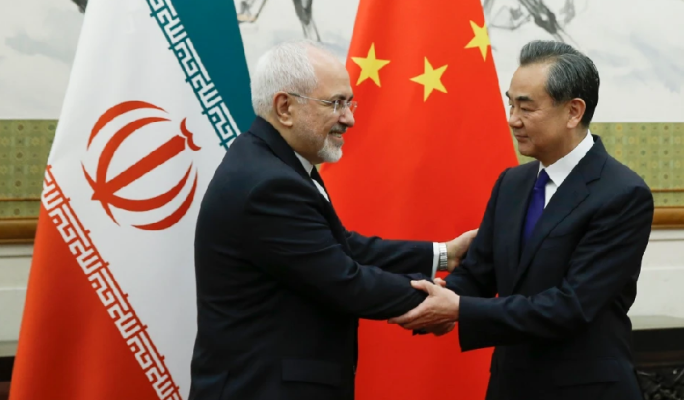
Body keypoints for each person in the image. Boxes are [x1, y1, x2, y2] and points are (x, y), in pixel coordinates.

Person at [188, 40, 477, 400]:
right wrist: (440, 300)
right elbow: (344, 280)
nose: (349, 118)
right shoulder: (268, 184)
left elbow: (340, 247)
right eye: (336, 103)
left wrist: (445, 255)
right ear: (285, 107)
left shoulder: (270, 162)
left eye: (349, 103)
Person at [390, 40, 654, 400]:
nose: (512, 119)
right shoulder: (512, 183)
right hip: (510, 384)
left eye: (526, 108)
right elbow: (477, 274)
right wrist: (436, 303)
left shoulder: (622, 193)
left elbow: (571, 306)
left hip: (584, 389)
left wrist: (460, 309)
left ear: (573, 111)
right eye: (510, 104)